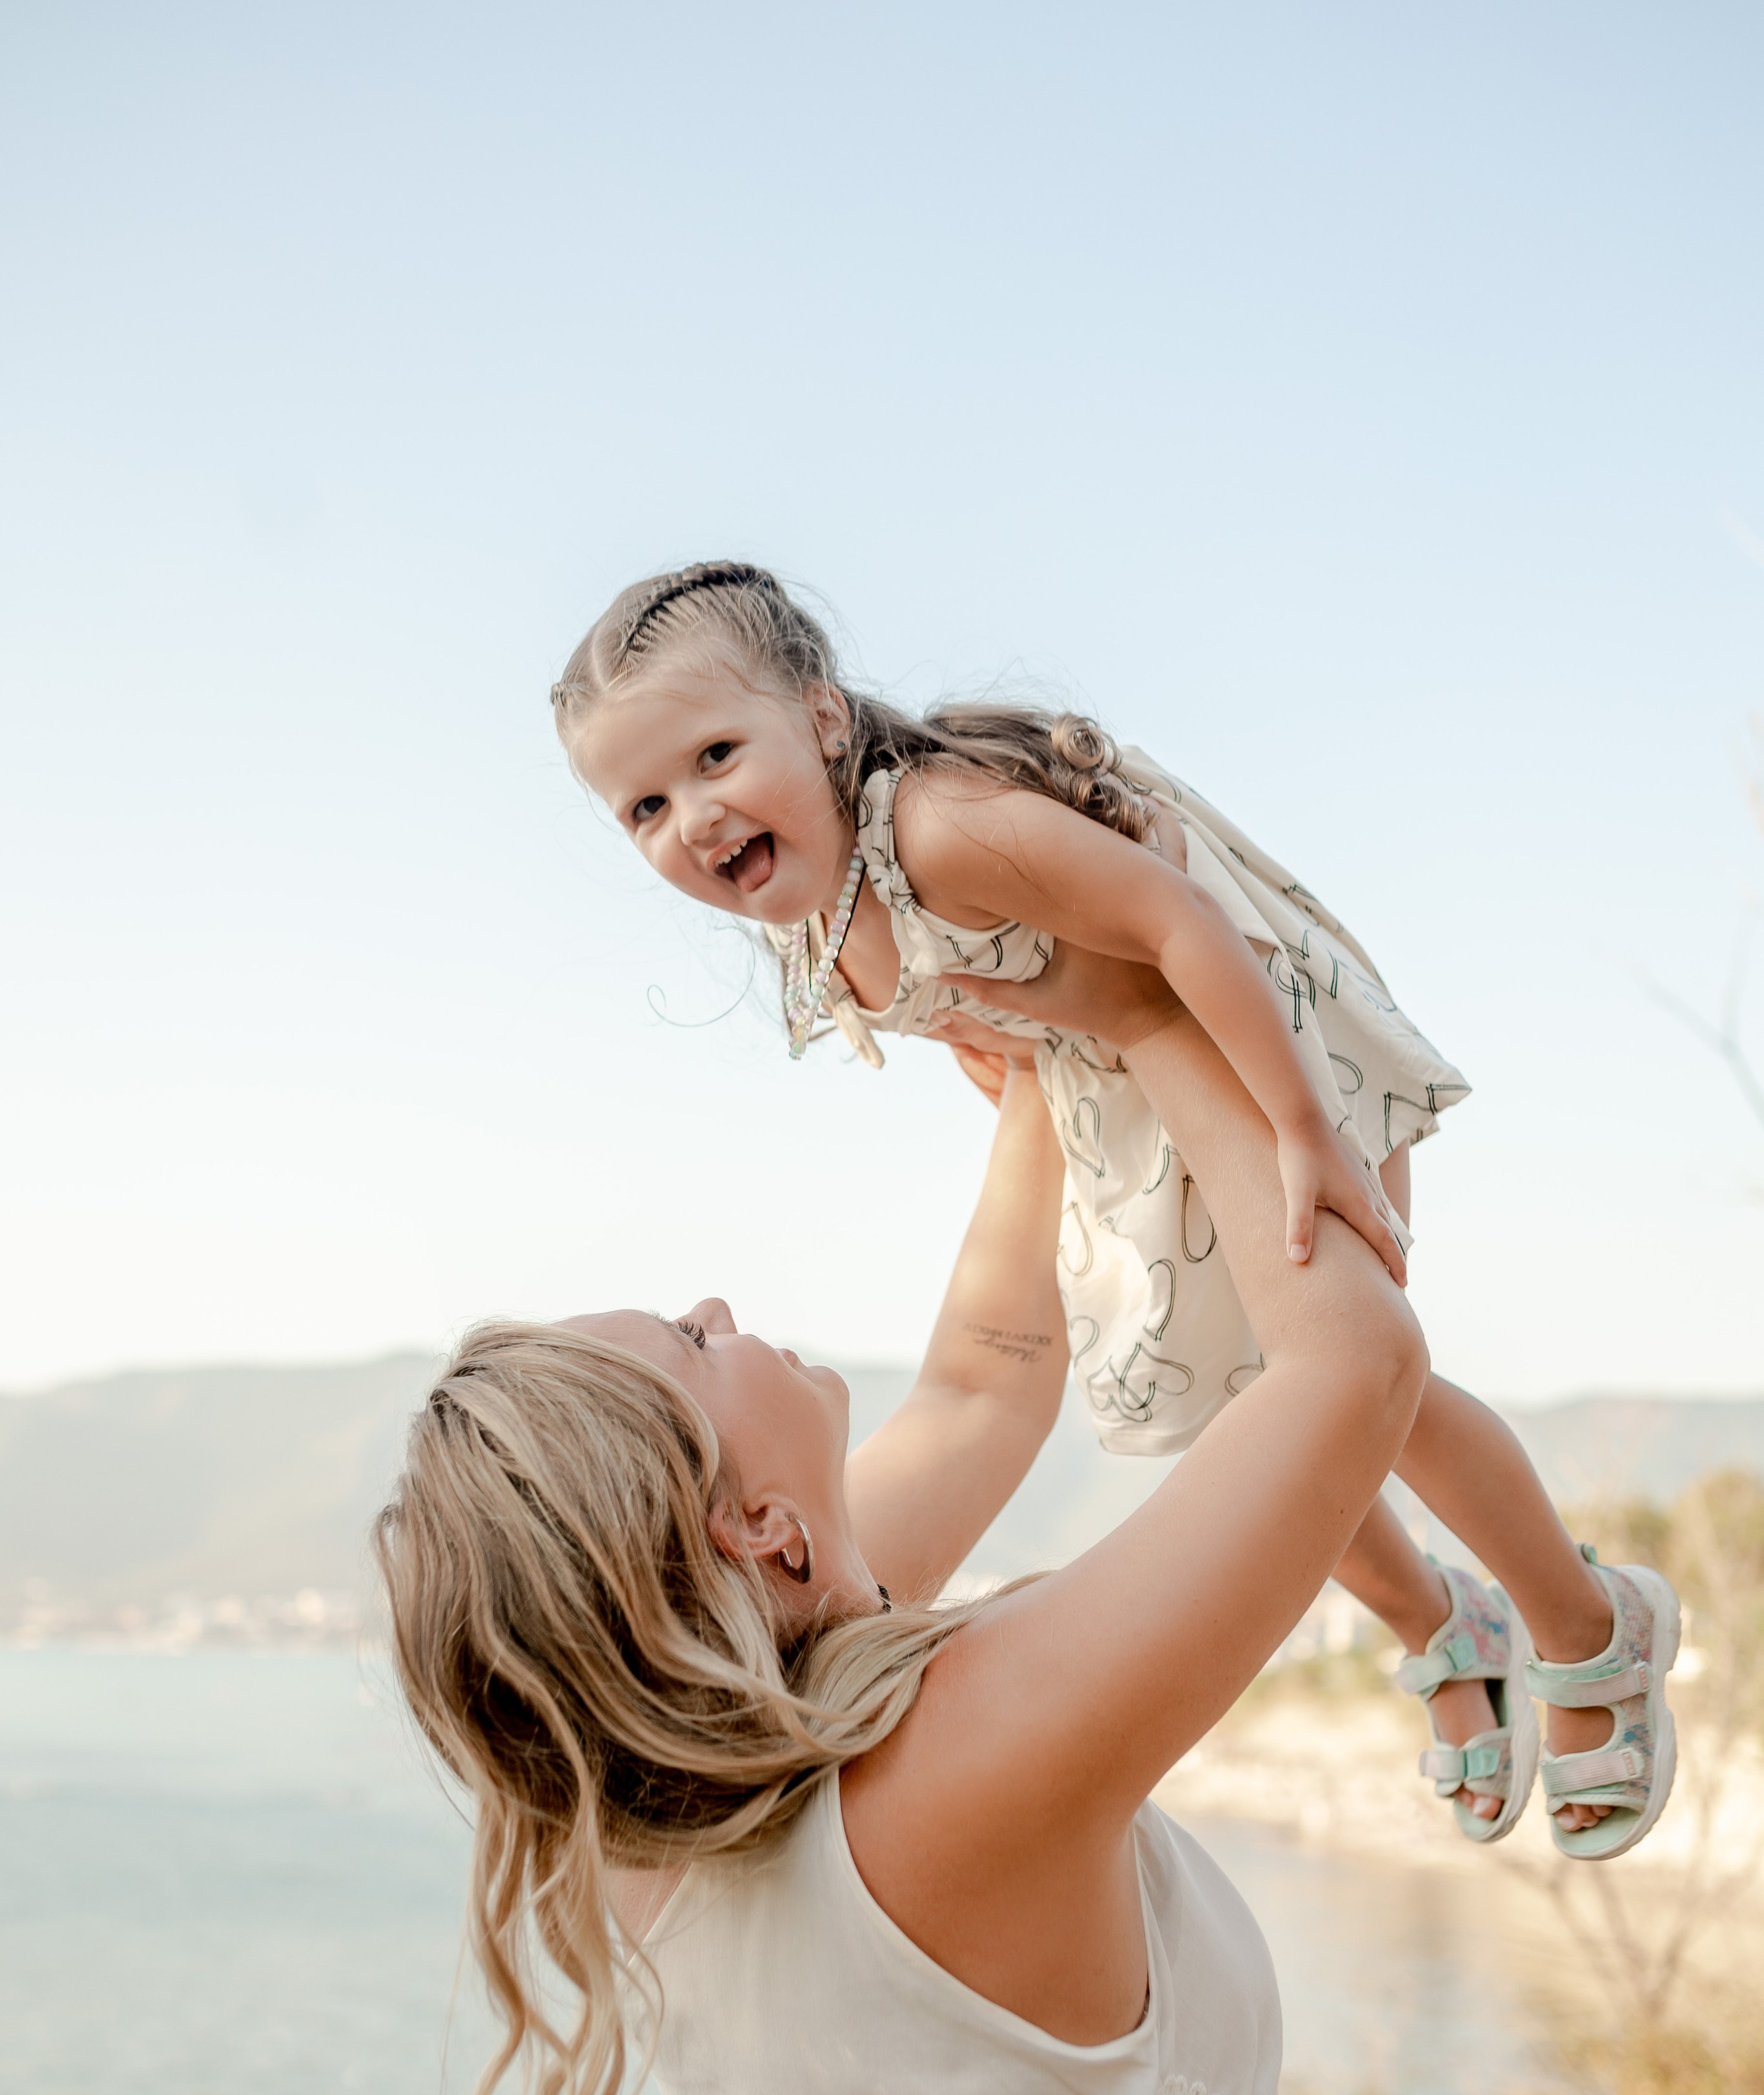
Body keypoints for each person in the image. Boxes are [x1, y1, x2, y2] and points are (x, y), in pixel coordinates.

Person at [380, 949, 1431, 2095]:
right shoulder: (957, 1754)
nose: (719, 1303)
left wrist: (1041, 1063)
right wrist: (1145, 1006)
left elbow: (988, 1382)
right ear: (758, 1531)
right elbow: (1354, 1363)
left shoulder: (640, 1812)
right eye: (689, 1341)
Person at [547, 561, 1679, 1859]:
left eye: (714, 756)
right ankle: (1443, 1622)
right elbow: (973, 992)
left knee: (1369, 1389)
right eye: (644, 804)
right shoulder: (805, 914)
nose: (692, 816)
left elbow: (1179, 921)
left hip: (1247, 1032)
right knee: (1243, 1426)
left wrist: (1305, 1130)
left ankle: (1591, 1623)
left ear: (819, 719)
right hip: (1120, 1087)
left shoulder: (937, 828)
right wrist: (1009, 1059)